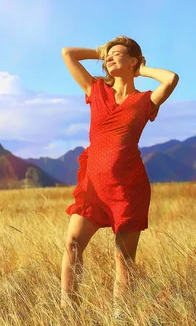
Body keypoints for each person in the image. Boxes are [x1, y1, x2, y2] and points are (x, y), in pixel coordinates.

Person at [59, 36, 179, 319]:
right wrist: (103, 51)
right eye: (107, 56)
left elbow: (171, 78)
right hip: (94, 186)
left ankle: (120, 317)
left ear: (134, 60)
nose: (109, 59)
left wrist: (141, 70)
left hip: (128, 186)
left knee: (124, 259)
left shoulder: (144, 100)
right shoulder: (96, 89)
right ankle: (68, 313)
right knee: (73, 243)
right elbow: (68, 53)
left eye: (118, 54)